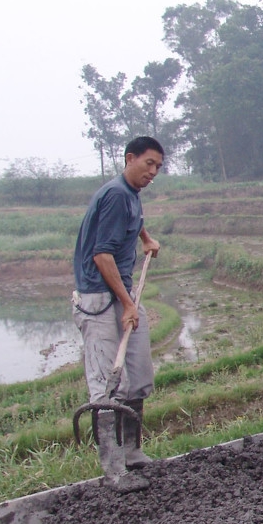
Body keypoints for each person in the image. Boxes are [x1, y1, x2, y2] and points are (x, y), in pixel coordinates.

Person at [72, 136, 164, 493]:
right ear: (130, 158)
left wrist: (146, 237)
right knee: (109, 385)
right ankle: (114, 470)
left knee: (138, 377)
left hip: (123, 291)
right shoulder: (114, 195)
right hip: (99, 298)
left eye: (158, 166)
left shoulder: (130, 194)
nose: (153, 172)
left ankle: (133, 451)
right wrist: (127, 303)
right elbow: (102, 255)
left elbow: (132, 218)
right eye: (148, 164)